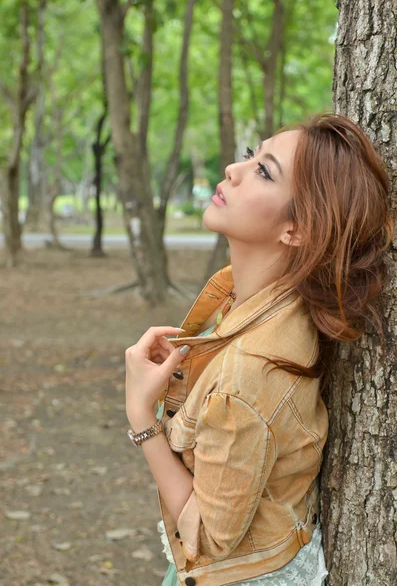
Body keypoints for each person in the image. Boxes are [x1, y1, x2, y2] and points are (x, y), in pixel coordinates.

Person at [125, 112, 394, 586]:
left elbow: (208, 538)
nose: (233, 168)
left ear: (299, 229)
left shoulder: (248, 373)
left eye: (264, 171)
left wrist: (141, 417)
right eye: (252, 156)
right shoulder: (268, 300)